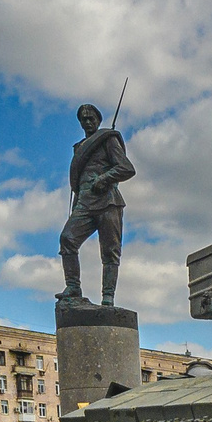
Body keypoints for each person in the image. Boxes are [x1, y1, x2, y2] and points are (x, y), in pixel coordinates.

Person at [56, 103, 134, 306]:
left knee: (110, 251)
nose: (88, 122)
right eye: (84, 119)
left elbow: (126, 168)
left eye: (91, 118)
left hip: (108, 202)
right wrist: (75, 206)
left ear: (98, 120)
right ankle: (73, 286)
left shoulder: (108, 139)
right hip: (85, 203)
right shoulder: (79, 147)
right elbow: (78, 182)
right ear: (80, 122)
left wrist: (104, 178)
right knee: (67, 238)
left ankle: (108, 296)